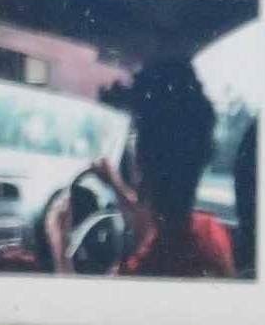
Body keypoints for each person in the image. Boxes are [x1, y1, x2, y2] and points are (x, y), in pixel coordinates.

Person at [34, 54, 239, 279]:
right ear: (203, 156)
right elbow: (156, 223)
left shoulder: (140, 270)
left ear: (141, 161)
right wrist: (114, 182)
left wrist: (60, 246)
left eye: (134, 136)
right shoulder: (211, 233)